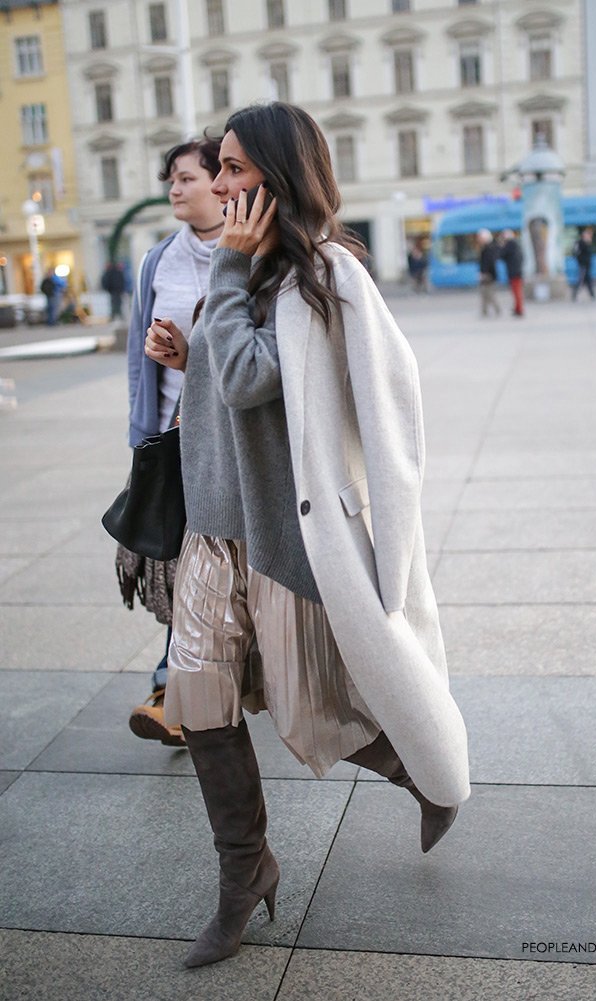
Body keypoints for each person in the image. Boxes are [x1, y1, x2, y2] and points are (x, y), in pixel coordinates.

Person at [144, 102, 470, 969]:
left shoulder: (317, 275)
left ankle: (421, 762)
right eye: (216, 166)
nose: (218, 182)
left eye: (236, 168)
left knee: (308, 707)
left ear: (278, 177)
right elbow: (229, 379)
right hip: (213, 529)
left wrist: (223, 280)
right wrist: (188, 360)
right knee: (200, 704)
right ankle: (242, 873)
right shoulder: (244, 267)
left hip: (285, 536)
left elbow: (258, 378)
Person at [123, 137, 224, 748]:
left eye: (187, 177)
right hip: (169, 441)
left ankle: (189, 688)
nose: (175, 189)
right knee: (182, 570)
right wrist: (141, 439)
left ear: (220, 183)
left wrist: (194, 361)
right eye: (171, 180)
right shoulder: (157, 260)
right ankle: (174, 689)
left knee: (216, 573)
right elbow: (140, 361)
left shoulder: (247, 255)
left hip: (228, 445)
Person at [499, 229, 524, 317]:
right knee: (517, 292)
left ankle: (519, 309)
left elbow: (501, 255)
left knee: (516, 292)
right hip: (517, 271)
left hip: (514, 272)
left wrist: (502, 245)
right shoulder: (516, 245)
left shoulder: (510, 244)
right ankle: (518, 308)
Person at [477, 228, 501, 316]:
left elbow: (489, 263)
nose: (479, 240)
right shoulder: (487, 248)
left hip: (488, 275)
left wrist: (484, 273)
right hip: (487, 274)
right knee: (484, 294)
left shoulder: (489, 249)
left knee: (489, 294)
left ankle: (496, 310)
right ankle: (484, 311)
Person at [572, 226, 595, 300]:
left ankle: (592, 295)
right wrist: (580, 260)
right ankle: (574, 295)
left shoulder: (588, 243)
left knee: (588, 280)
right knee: (580, 280)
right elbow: (575, 253)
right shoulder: (580, 243)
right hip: (582, 265)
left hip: (588, 265)